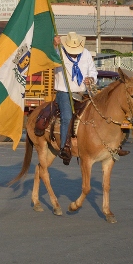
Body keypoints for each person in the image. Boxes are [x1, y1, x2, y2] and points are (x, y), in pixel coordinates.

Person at [54, 32, 98, 165]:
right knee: (67, 117)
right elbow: (47, 59)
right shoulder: (59, 52)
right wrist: (54, 46)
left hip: (82, 92)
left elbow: (93, 72)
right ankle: (65, 147)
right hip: (64, 91)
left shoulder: (86, 54)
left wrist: (91, 79)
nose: (74, 53)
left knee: (98, 113)